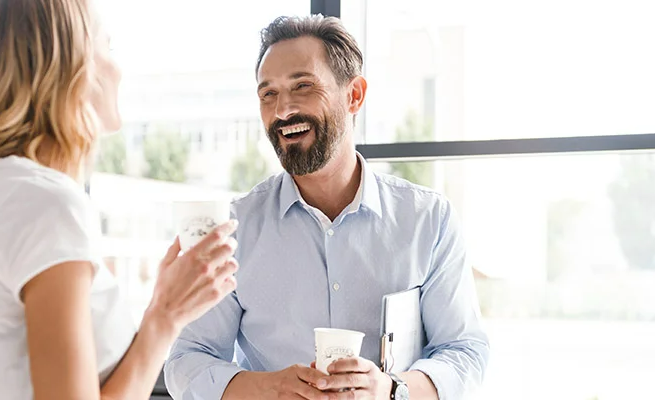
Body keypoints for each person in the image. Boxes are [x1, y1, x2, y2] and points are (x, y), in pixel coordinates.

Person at [165, 15, 489, 400]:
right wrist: (270, 388)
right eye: (268, 94)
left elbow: (465, 352)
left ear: (354, 96)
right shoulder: (234, 229)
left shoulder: (428, 220)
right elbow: (186, 361)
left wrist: (389, 389)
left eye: (303, 86)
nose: (283, 111)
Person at [0, 1, 239, 399]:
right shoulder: (44, 203)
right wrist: (166, 316)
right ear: (71, 67)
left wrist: (166, 305)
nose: (118, 69)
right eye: (108, 46)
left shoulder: (9, 192)